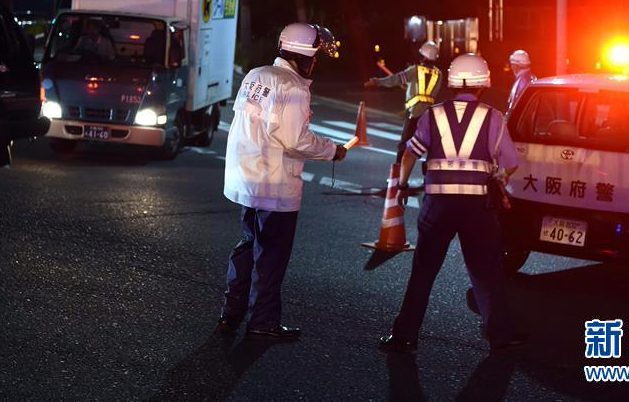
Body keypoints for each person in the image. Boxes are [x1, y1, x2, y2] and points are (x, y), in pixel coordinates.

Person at [378, 53, 527, 353]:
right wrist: (496, 175)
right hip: (478, 208)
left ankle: (405, 335)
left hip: (438, 206)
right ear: (483, 83)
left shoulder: (433, 114)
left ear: (452, 81)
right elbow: (511, 162)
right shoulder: (493, 117)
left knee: (423, 271)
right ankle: (500, 335)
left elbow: (410, 153)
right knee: (486, 270)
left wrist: (403, 184)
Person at [218, 22, 348, 340]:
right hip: (274, 185)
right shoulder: (292, 87)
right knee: (271, 256)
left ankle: (231, 313)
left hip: (247, 179)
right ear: (306, 56)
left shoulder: (256, 75)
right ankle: (263, 321)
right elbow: (295, 140)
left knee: (247, 246)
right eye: (316, 55)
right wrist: (333, 150)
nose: (316, 62)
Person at [364, 41, 442, 162]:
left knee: (404, 145)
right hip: (428, 115)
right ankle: (429, 173)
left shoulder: (415, 70)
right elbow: (427, 93)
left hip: (414, 113)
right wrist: (409, 87)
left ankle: (397, 176)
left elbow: (396, 79)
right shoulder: (439, 74)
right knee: (429, 146)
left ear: (424, 56)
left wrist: (377, 82)